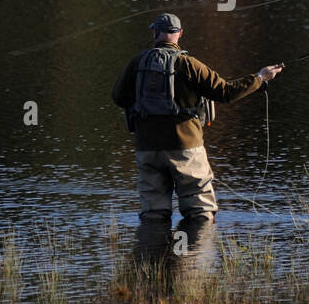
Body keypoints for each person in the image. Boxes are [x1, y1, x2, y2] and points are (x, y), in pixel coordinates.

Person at [111, 12, 283, 222]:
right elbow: (225, 92)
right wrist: (260, 78)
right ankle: (197, 250)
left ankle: (152, 250)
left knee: (153, 213)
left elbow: (118, 98)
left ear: (155, 32)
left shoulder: (137, 63)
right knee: (200, 211)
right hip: (185, 147)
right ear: (180, 34)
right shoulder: (189, 64)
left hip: (147, 147)